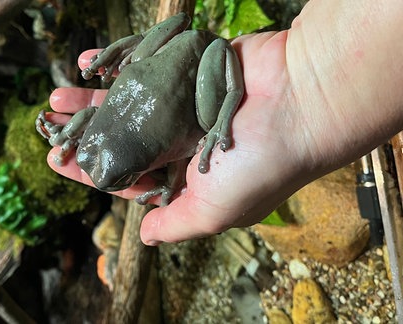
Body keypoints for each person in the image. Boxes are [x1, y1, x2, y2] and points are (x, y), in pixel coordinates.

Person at [44, 1, 403, 246]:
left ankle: (221, 113)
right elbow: (91, 116)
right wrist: (75, 131)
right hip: (168, 51)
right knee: (138, 60)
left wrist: (180, 171)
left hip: (194, 70)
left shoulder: (155, 156)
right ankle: (128, 54)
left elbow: (176, 156)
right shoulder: (98, 126)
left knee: (203, 120)